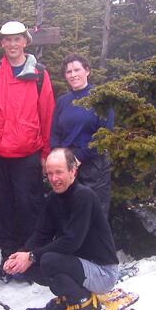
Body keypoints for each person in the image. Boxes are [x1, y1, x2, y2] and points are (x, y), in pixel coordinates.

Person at [3, 148, 119, 310]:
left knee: (47, 260)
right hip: (79, 265)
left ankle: (85, 304)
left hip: (102, 272)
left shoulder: (84, 196)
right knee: (29, 265)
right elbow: (42, 234)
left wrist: (33, 255)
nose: (54, 178)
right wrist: (22, 254)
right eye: (49, 173)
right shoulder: (53, 199)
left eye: (59, 172)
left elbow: (72, 241)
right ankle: (68, 297)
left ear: (73, 171)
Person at [0, 21, 55, 270]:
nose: (12, 44)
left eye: (17, 39)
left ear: (25, 41)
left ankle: (30, 258)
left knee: (30, 206)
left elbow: (47, 115)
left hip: (28, 154)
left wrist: (46, 154)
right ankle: (9, 258)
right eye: (7, 39)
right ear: (1, 43)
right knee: (1, 209)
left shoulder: (39, 74)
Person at [50, 53, 114, 217]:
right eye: (68, 72)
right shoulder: (63, 101)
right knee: (68, 215)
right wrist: (59, 158)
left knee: (93, 216)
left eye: (76, 70)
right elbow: (55, 132)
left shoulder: (101, 98)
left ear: (87, 71)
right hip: (67, 166)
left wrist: (79, 157)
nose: (73, 75)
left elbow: (104, 135)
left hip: (94, 166)